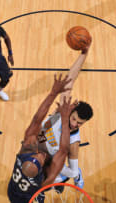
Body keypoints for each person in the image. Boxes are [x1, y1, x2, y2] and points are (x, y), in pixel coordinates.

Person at [7, 74, 77, 203]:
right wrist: (65, 117)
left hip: (12, 190)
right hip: (28, 199)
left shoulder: (27, 148)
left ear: (27, 157)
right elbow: (63, 150)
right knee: (69, 172)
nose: (41, 155)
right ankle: (51, 189)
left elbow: (36, 120)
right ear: (40, 171)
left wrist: (53, 92)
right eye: (40, 161)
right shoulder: (45, 179)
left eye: (36, 156)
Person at [39, 45, 93, 191]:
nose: (75, 124)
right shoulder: (63, 111)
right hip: (41, 146)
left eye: (80, 123)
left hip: (50, 157)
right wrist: (84, 53)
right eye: (74, 119)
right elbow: (70, 78)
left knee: (70, 173)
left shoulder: (73, 141)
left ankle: (61, 178)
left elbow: (70, 167)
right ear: (71, 112)